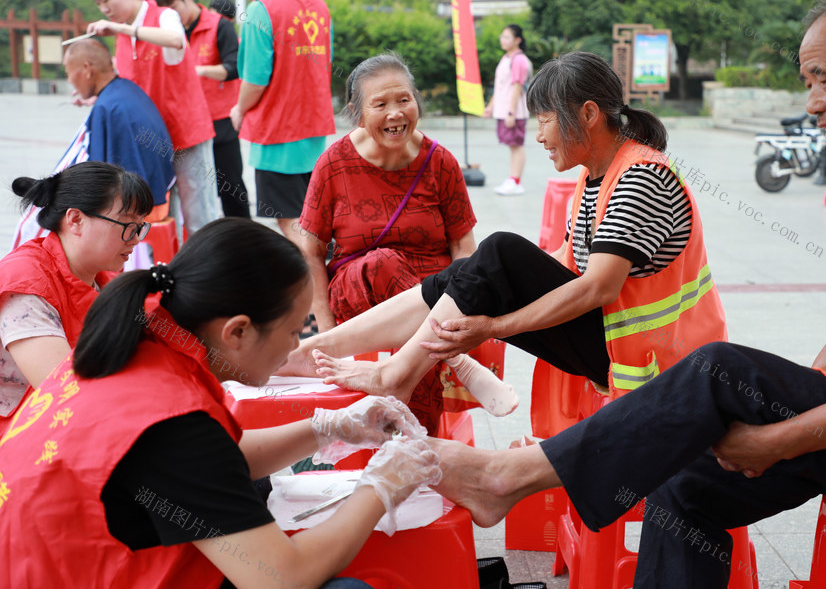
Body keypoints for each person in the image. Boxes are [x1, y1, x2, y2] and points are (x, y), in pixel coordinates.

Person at [426, 0, 826, 588]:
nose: (812, 103)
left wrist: (778, 437)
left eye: (822, 79)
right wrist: (780, 406)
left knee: (717, 370)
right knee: (685, 484)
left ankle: (508, 477)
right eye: (807, 83)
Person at [0, 218, 441, 588]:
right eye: (293, 332)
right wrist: (380, 488)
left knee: (257, 493)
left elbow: (214, 462)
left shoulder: (146, 339)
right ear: (238, 331)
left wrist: (330, 425)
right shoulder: (172, 419)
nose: (295, 347)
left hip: (52, 560)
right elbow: (283, 578)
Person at [292, 51, 727, 412]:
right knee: (485, 264)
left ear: (588, 115)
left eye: (544, 121)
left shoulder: (640, 177)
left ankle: (394, 372)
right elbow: (562, 262)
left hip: (657, 359)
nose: (537, 136)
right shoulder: (596, 174)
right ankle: (316, 352)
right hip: (615, 344)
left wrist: (495, 326)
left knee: (496, 253)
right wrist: (473, 291)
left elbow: (598, 288)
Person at [289, 53, 488, 429]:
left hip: (428, 299)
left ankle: (417, 443)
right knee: (383, 265)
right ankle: (449, 359)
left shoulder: (440, 162)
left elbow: (465, 249)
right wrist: (330, 337)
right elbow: (311, 253)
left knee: (425, 330)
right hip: (358, 292)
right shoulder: (334, 164)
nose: (396, 114)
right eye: (380, 104)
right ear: (358, 113)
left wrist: (463, 311)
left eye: (404, 100)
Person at [0, 162, 154, 433]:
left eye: (141, 227)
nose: (135, 239)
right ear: (75, 220)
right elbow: (66, 391)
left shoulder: (104, 280)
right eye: (128, 225)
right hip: (20, 439)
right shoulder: (26, 284)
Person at [82, 0, 222, 238]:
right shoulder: (121, 34)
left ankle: (211, 277)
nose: (104, 9)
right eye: (98, 4)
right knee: (158, 216)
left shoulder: (162, 16)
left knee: (199, 215)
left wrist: (123, 29)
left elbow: (175, 41)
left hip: (186, 132)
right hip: (150, 140)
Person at [12, 41, 174, 253]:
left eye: (69, 73)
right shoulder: (126, 90)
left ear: (87, 69)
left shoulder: (107, 108)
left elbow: (97, 178)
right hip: (161, 195)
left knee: (37, 222)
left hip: (143, 209)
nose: (70, 81)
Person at [230, 0, 337, 243]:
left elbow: (255, 78)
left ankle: (322, 288)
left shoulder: (260, 10)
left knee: (291, 220)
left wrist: (238, 109)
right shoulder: (319, 6)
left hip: (278, 131)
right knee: (311, 214)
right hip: (313, 129)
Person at [151, 0, 251, 218]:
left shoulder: (219, 26)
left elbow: (233, 68)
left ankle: (243, 244)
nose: (171, 17)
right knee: (189, 192)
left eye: (174, 8)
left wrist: (199, 70)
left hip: (220, 123)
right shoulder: (167, 31)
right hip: (185, 124)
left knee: (231, 189)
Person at [485, 24, 533, 196]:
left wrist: (511, 112)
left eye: (507, 37)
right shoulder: (505, 58)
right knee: (511, 145)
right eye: (502, 36)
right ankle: (512, 179)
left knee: (516, 145)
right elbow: (500, 88)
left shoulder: (519, 60)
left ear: (517, 40)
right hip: (503, 110)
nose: (502, 40)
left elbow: (517, 87)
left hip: (514, 112)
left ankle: (515, 181)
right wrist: (490, 107)